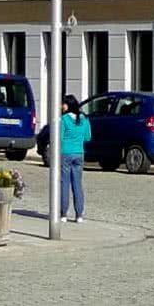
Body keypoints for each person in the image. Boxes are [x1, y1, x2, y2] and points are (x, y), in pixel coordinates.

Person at [56, 94, 91, 223]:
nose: (61, 106)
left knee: (64, 183)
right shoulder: (84, 119)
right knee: (77, 184)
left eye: (63, 104)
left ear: (67, 105)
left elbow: (59, 137)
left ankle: (64, 213)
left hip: (66, 153)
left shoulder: (64, 119)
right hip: (79, 153)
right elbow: (88, 137)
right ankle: (79, 214)